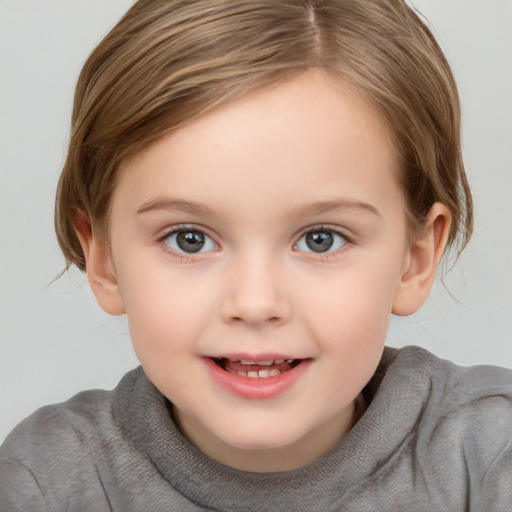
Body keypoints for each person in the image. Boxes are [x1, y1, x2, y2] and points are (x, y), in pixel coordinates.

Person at [1, 0, 510, 510]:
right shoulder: (47, 482)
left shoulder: (487, 457)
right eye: (189, 239)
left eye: (321, 239)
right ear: (104, 260)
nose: (256, 302)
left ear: (414, 260)